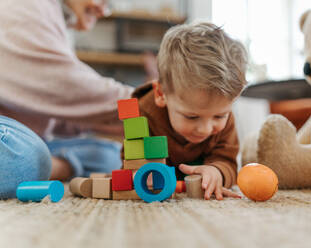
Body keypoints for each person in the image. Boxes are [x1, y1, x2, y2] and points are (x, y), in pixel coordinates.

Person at [0, 0, 157, 198]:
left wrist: (138, 120)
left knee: (111, 155)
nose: (102, 9)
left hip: (32, 138)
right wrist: (154, 102)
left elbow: (56, 111)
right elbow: (69, 87)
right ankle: (50, 166)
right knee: (27, 159)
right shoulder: (26, 7)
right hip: (9, 141)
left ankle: (51, 165)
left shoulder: (57, 18)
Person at [127, 22, 248, 200]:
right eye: (192, 117)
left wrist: (217, 172)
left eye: (219, 116)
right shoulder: (142, 113)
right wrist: (138, 173)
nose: (206, 129)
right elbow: (131, 161)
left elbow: (227, 161)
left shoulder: (226, 118)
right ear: (161, 94)